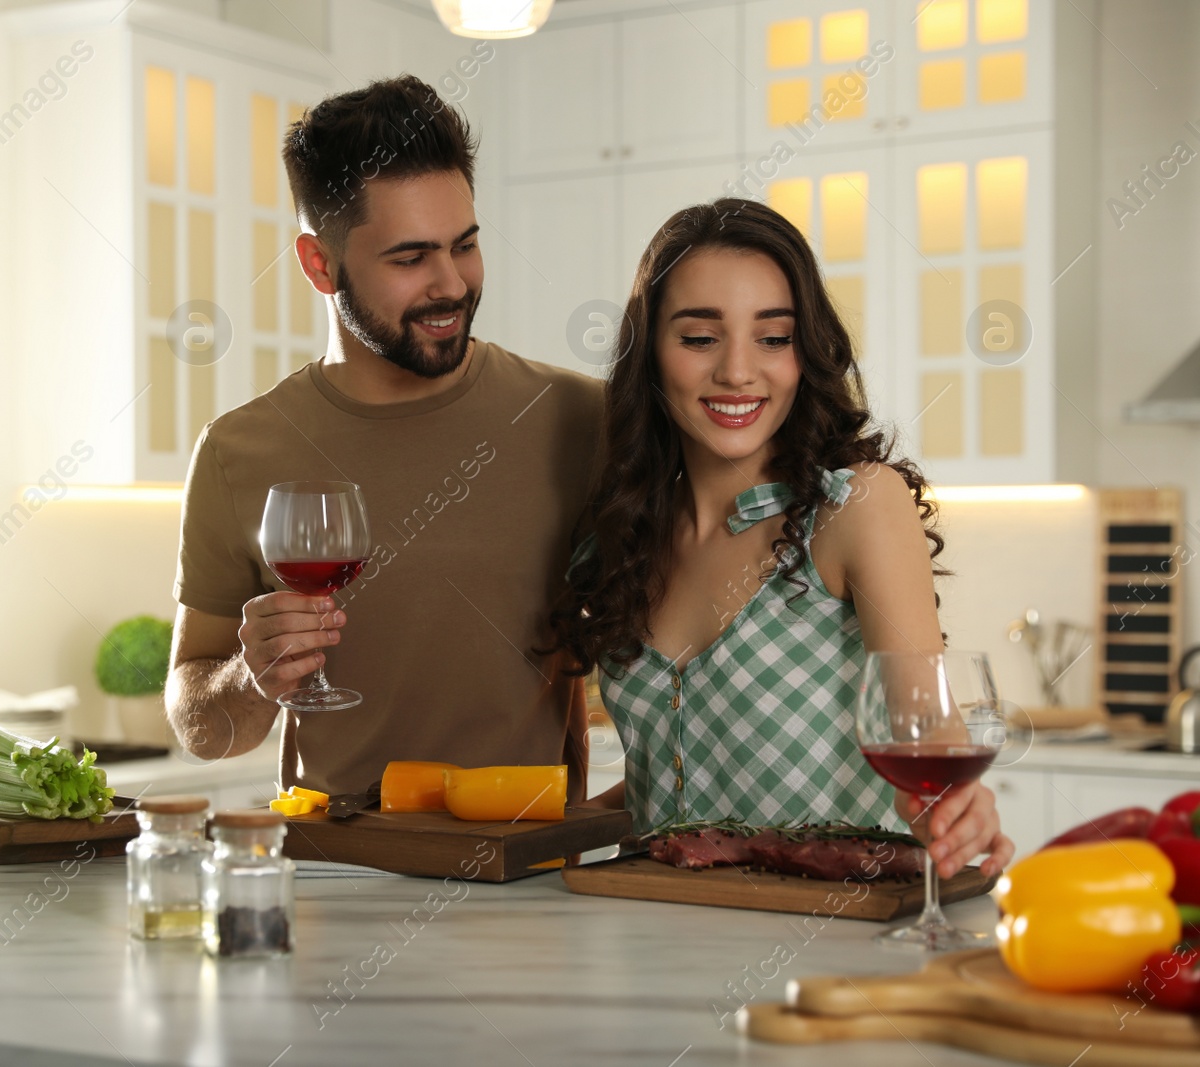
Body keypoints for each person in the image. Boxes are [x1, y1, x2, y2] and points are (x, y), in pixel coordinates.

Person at [165, 75, 603, 798]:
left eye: (464, 245)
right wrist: (252, 677)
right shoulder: (234, 452)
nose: (452, 283)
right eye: (410, 258)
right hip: (332, 877)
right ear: (320, 264)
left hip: (528, 871)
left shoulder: (579, 418)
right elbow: (202, 728)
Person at [550, 198, 1013, 880]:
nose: (739, 372)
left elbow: (927, 737)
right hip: (648, 933)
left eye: (773, 337)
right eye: (700, 337)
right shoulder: (619, 536)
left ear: (807, 353)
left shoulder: (854, 505)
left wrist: (956, 808)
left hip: (830, 942)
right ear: (650, 353)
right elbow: (677, 792)